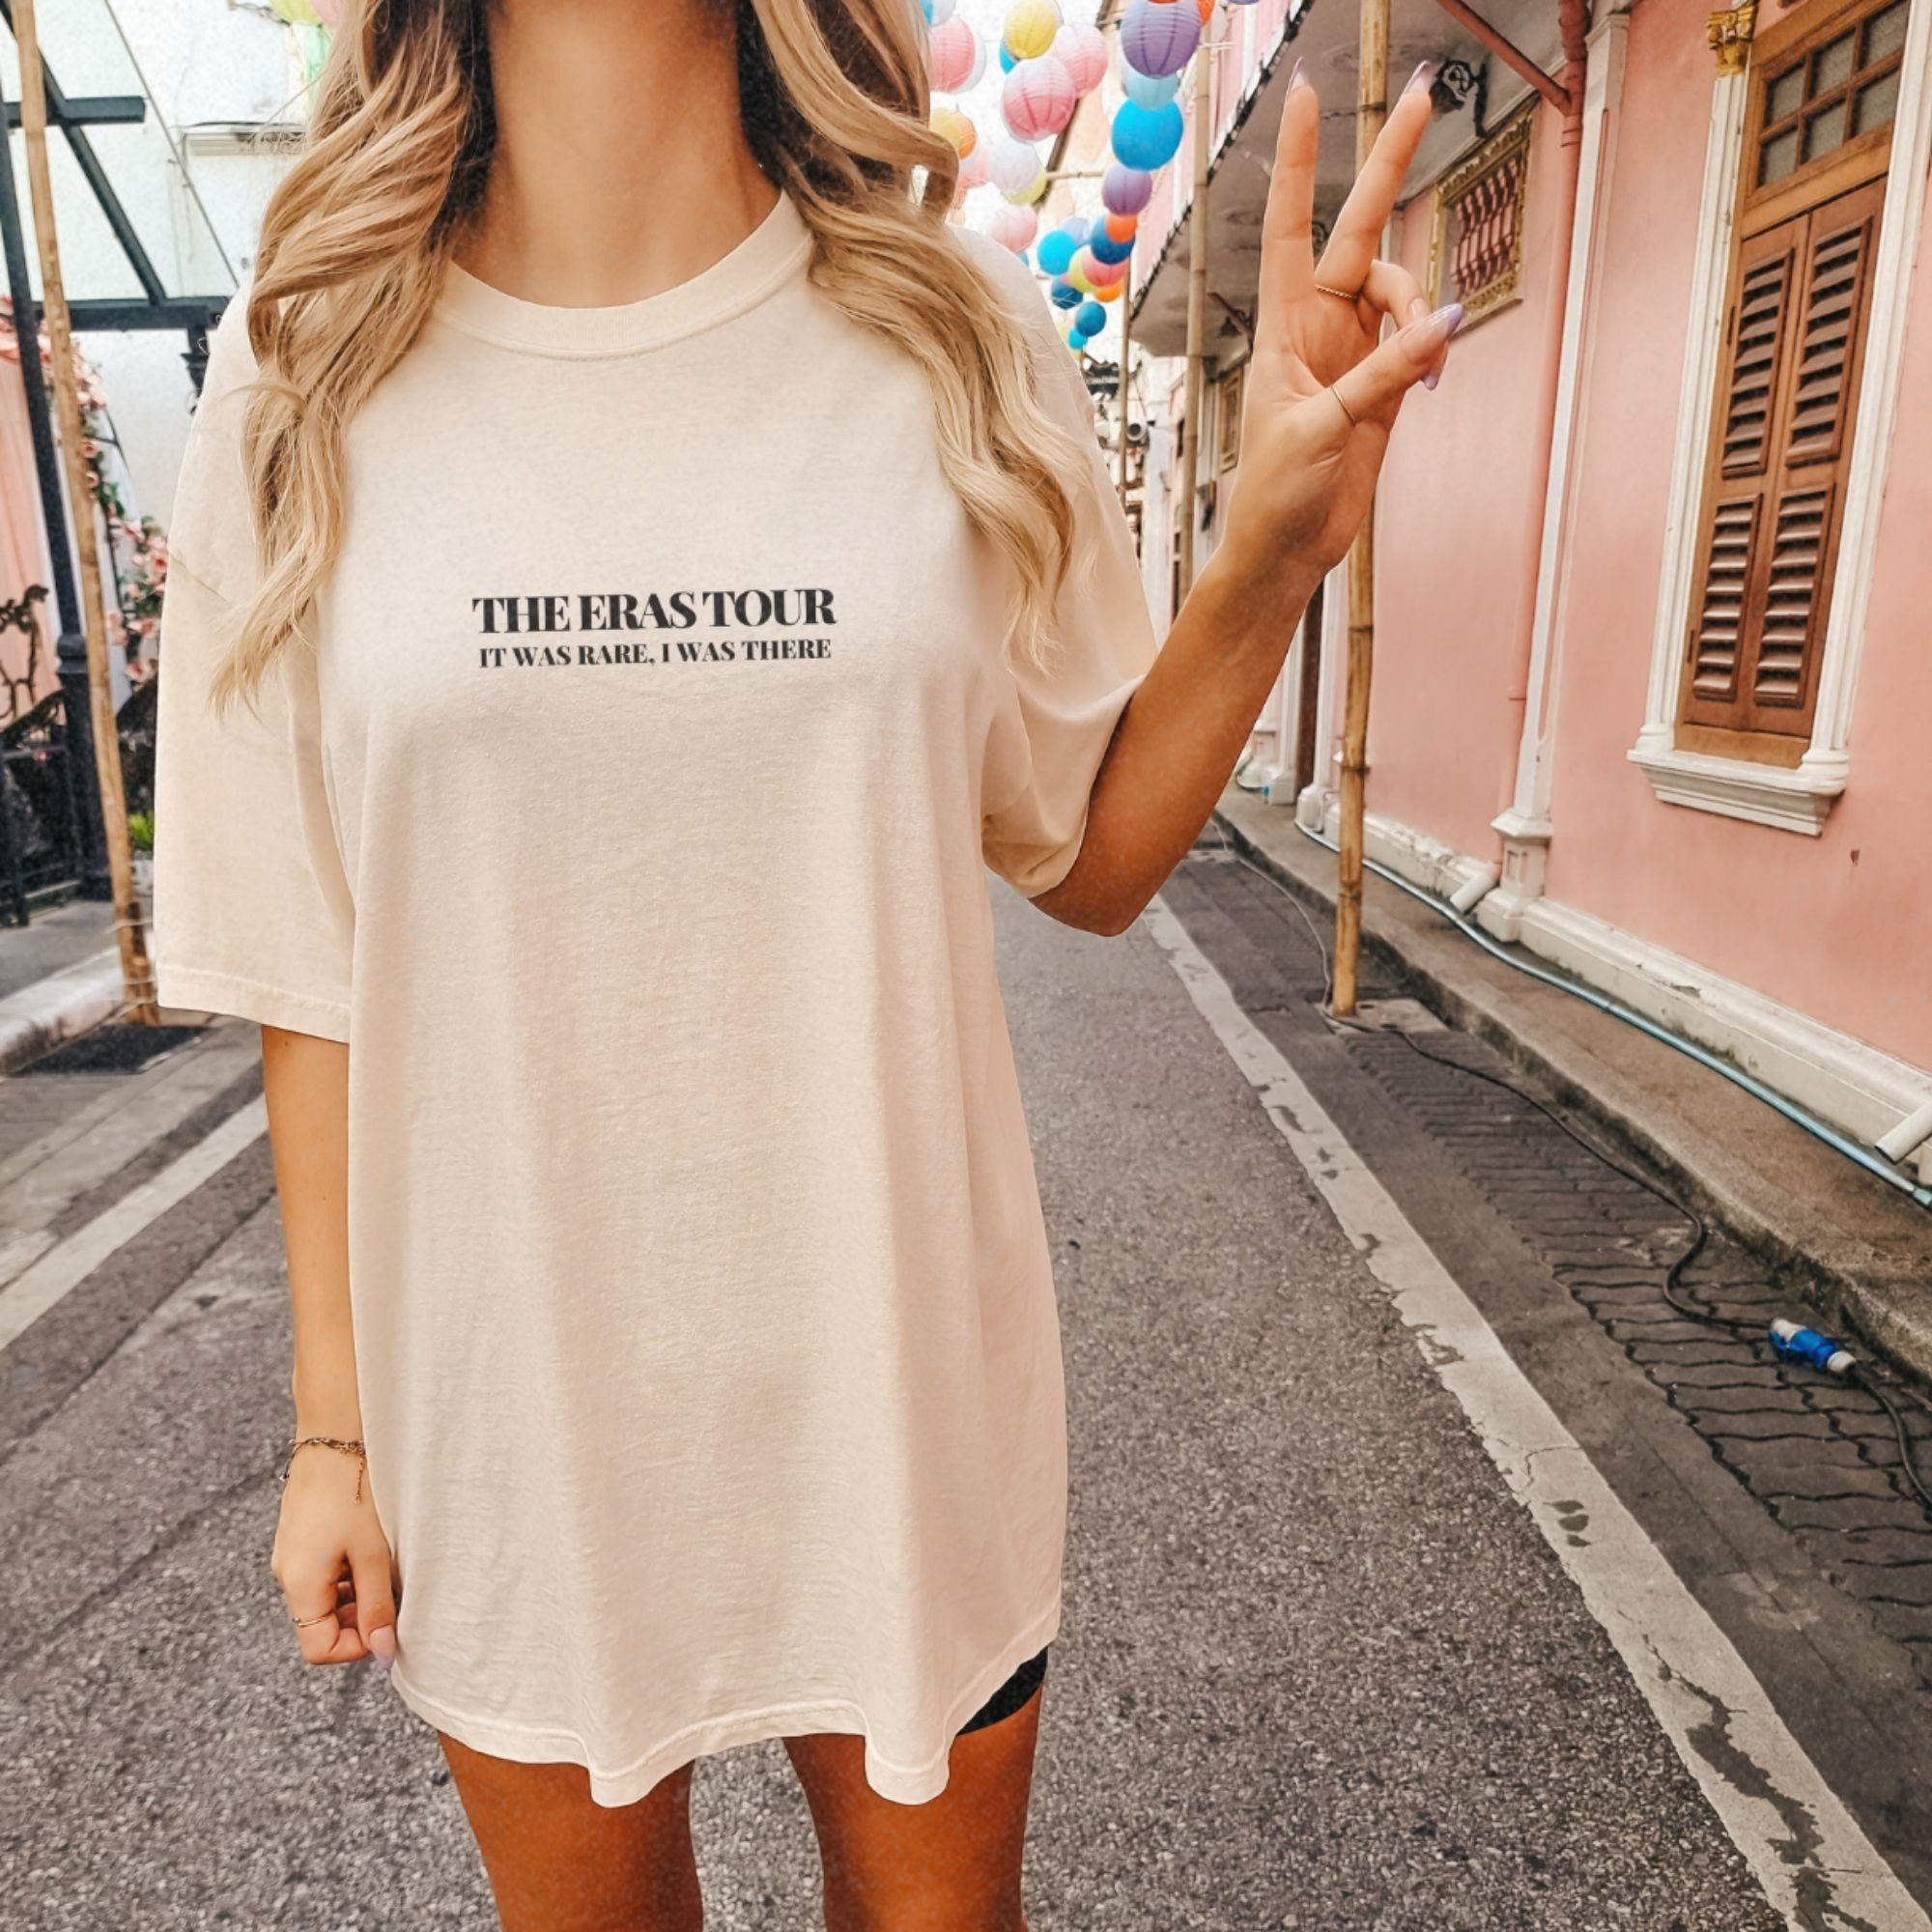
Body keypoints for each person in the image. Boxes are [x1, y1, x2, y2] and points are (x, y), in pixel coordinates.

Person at [150, 0, 1458, 1924]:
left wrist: (1264, 552)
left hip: (903, 1386)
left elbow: (1086, 853)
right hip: (519, 1420)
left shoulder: (956, 330)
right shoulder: (302, 380)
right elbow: (310, 968)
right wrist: (331, 1432)